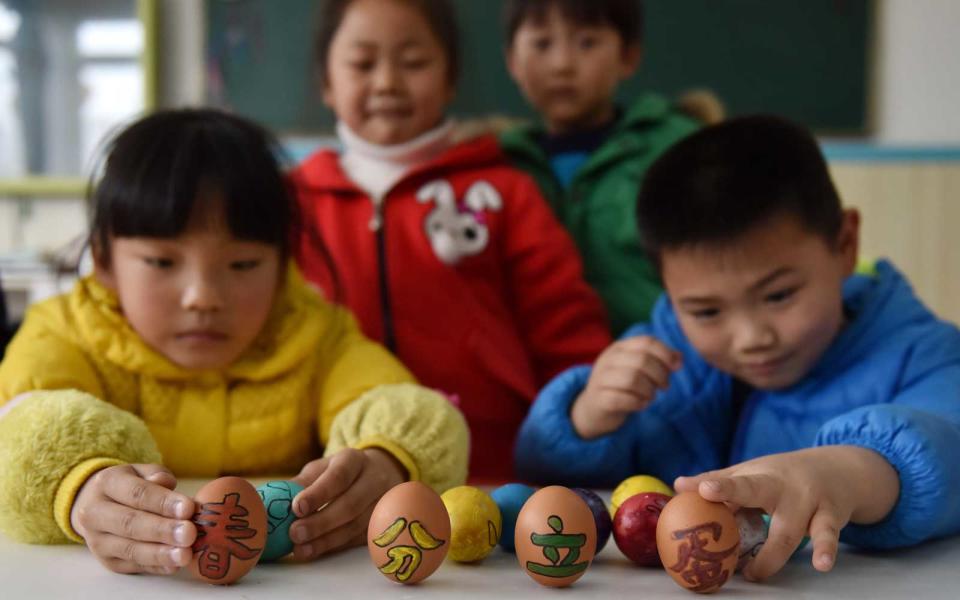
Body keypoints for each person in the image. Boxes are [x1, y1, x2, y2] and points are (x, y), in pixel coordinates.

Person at [0, 109, 469, 574]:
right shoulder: (63, 332)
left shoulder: (316, 335)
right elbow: (18, 424)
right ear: (104, 261)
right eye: (163, 262)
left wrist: (389, 460)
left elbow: (410, 408)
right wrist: (76, 486)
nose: (202, 297)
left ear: (284, 264)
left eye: (242, 265)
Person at [515, 115, 960, 581]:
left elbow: (949, 449)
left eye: (778, 295)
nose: (752, 339)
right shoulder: (666, 352)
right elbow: (543, 471)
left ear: (845, 244)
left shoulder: (923, 355)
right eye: (707, 311)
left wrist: (848, 473)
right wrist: (586, 418)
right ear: (668, 290)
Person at [294, 0, 611, 480]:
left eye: (414, 62)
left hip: (493, 466)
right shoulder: (290, 202)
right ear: (325, 83)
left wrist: (585, 424)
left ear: (450, 78)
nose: (387, 82)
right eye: (362, 63)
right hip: (334, 470)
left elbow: (564, 323)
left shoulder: (504, 191)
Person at [499, 0, 717, 335]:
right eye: (542, 44)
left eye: (587, 42)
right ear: (513, 62)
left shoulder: (676, 145)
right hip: (550, 368)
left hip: (669, 359)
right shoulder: (497, 167)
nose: (562, 65)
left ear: (628, 57)